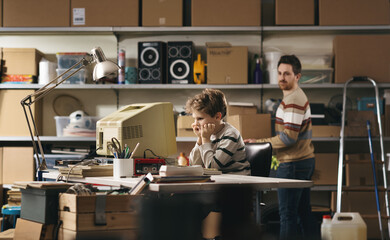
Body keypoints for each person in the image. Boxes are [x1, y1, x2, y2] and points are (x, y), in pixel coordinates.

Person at [245, 55, 319, 240]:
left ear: (297, 76)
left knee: (288, 216)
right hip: (302, 160)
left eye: (287, 73)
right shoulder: (293, 97)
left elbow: (289, 138)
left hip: (294, 163)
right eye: (279, 73)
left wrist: (259, 143)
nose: (281, 78)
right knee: (303, 213)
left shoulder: (294, 100)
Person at [186, 88, 250, 175]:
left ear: (217, 117)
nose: (195, 124)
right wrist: (200, 139)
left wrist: (205, 139)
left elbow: (212, 167)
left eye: (200, 119)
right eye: (194, 119)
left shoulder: (230, 134)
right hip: (220, 180)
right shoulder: (209, 134)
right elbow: (194, 165)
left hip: (237, 182)